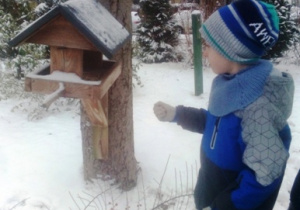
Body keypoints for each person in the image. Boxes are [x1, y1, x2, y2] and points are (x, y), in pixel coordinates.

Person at [153, 0, 295, 209]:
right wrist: (177, 114)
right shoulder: (233, 85)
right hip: (212, 190)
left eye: (209, 46)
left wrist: (222, 206)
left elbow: (265, 173)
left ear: (232, 51)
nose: (205, 52)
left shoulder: (257, 108)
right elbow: (217, 122)